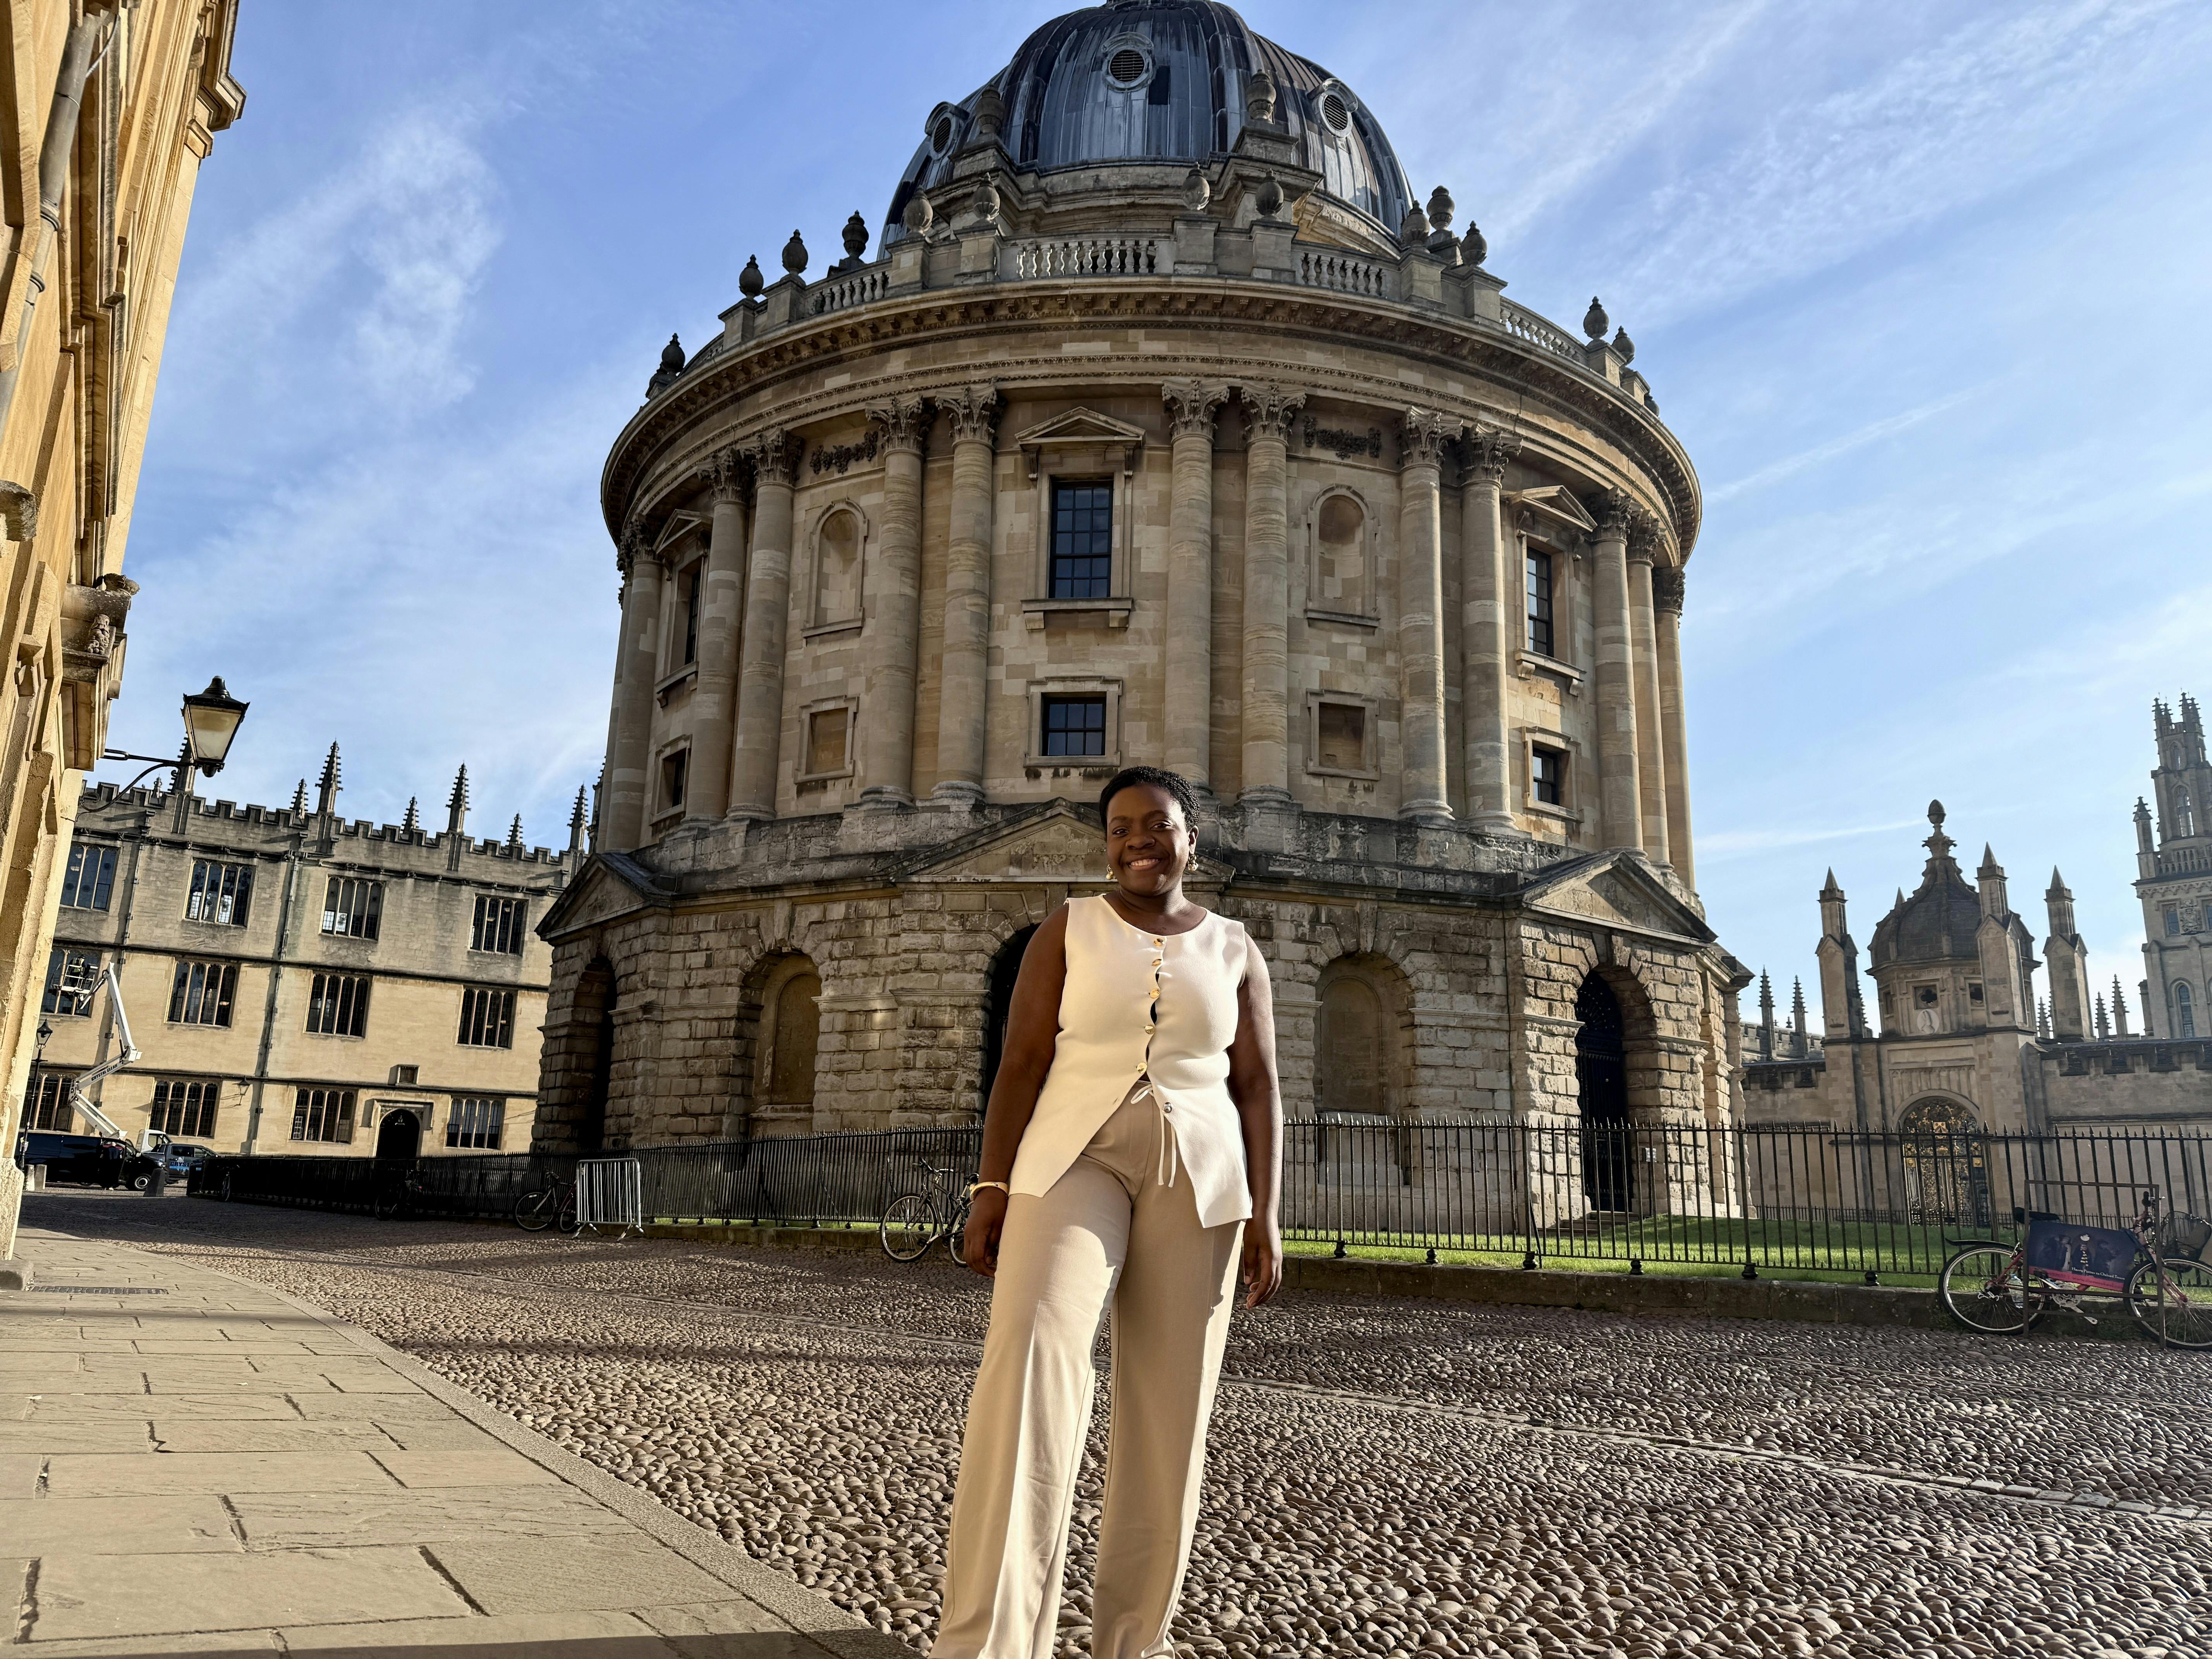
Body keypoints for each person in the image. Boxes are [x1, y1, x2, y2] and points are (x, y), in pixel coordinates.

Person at [930, 764, 1284, 1659]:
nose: (1139, 842)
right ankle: (989, 1644)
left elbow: (1258, 1088)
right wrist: (991, 1189)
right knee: (1029, 1361)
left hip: (1201, 1179)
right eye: (1121, 829)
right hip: (1071, 1157)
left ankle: (1133, 1643)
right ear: (1107, 846)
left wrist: (1267, 1214)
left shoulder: (1235, 947)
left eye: (1156, 825)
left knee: (1172, 1414)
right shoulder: (1069, 927)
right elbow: (1019, 1064)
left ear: (1191, 839)